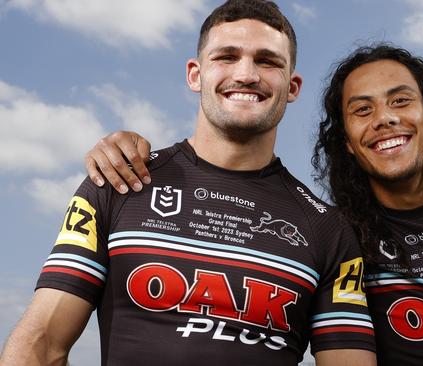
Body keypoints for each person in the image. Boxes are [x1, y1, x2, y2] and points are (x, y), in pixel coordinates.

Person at [80, 44, 423, 365]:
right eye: (362, 110)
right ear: (346, 140)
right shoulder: (340, 236)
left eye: (401, 101)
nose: (386, 120)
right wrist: (128, 147)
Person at [0, 1, 376, 365]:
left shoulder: (328, 229)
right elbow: (42, 345)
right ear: (195, 74)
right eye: (226, 56)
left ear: (292, 87)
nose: (246, 74)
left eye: (267, 61)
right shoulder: (117, 183)